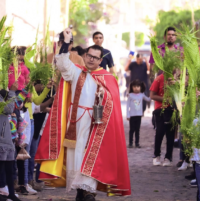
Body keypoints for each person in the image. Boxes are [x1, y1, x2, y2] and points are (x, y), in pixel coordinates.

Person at [35, 27, 131, 201]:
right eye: (89, 56)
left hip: (94, 125)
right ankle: (81, 191)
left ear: (101, 60)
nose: (91, 60)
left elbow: (112, 102)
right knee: (76, 158)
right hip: (74, 123)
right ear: (85, 55)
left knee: (90, 158)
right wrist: (65, 42)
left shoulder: (107, 78)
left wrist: (103, 95)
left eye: (95, 58)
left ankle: (88, 192)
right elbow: (62, 64)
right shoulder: (77, 71)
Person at [150, 73, 176, 167]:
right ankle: (156, 155)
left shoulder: (176, 80)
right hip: (160, 109)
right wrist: (165, 99)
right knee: (159, 133)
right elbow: (152, 95)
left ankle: (168, 157)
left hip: (173, 110)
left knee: (171, 134)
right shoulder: (159, 79)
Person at [126, 79, 151, 148]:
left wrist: (152, 93)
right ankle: (130, 143)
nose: (136, 88)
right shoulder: (130, 95)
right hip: (132, 115)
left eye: (138, 86)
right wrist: (128, 115)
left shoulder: (142, 95)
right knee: (131, 130)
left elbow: (148, 99)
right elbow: (127, 106)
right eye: (134, 86)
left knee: (137, 130)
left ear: (141, 87)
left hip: (139, 115)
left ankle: (137, 143)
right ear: (132, 87)